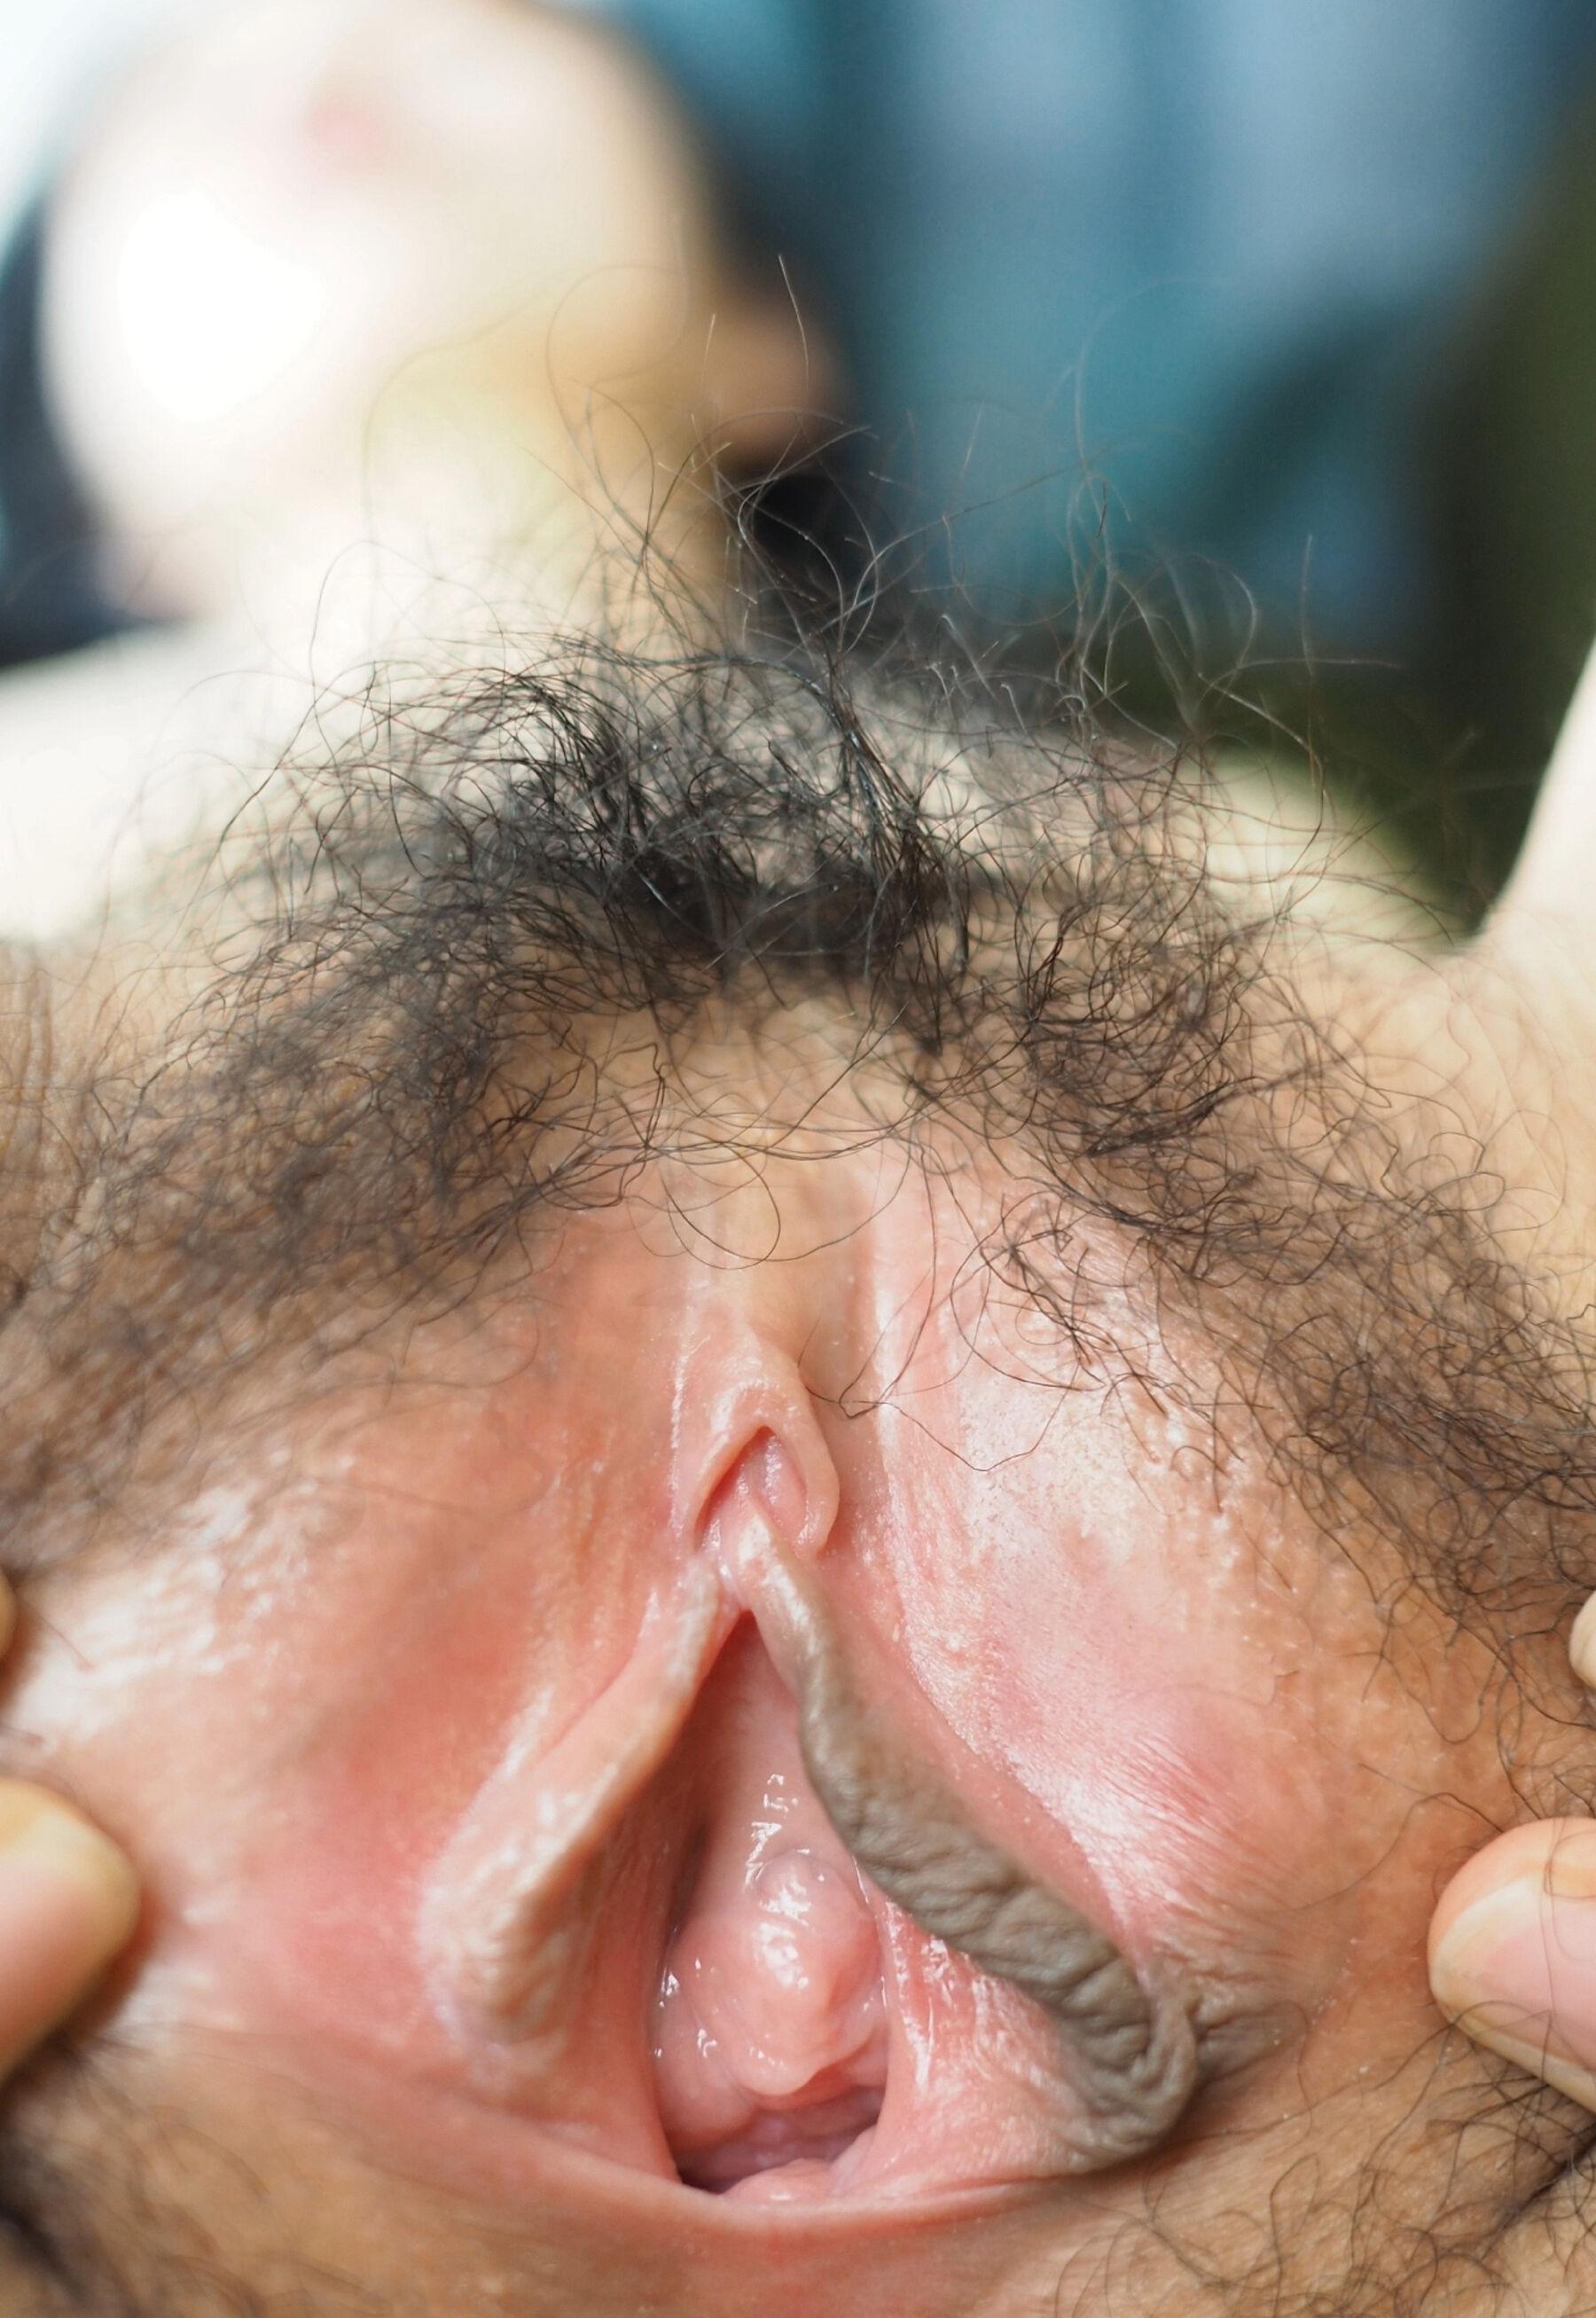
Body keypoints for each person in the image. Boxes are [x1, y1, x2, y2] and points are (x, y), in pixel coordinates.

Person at [4, 5, 1596, 2312]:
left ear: (768, 341)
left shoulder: (1189, 813)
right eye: (154, 118)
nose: (307, 52)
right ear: (98, 497)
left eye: (493, 38)